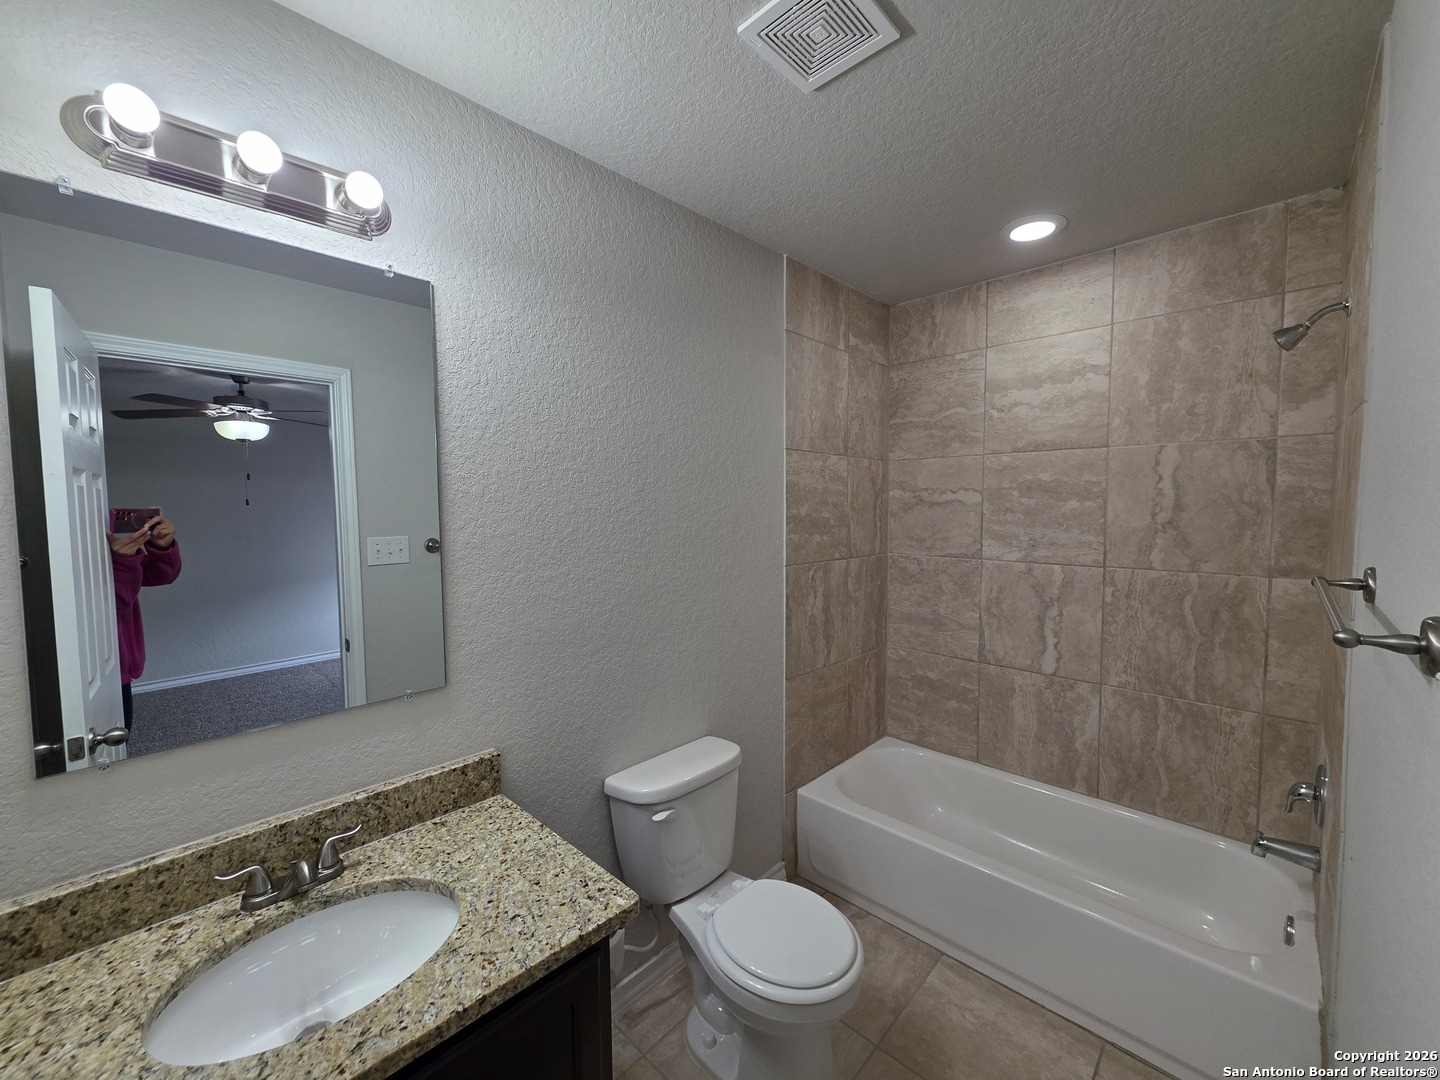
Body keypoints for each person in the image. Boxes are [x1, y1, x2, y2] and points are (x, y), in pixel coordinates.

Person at [107, 509, 181, 731]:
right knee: (108, 752)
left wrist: (161, 547)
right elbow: (113, 605)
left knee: (118, 743)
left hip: (118, 665)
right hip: (102, 664)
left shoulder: (94, 536)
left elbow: (161, 575)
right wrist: (124, 561)